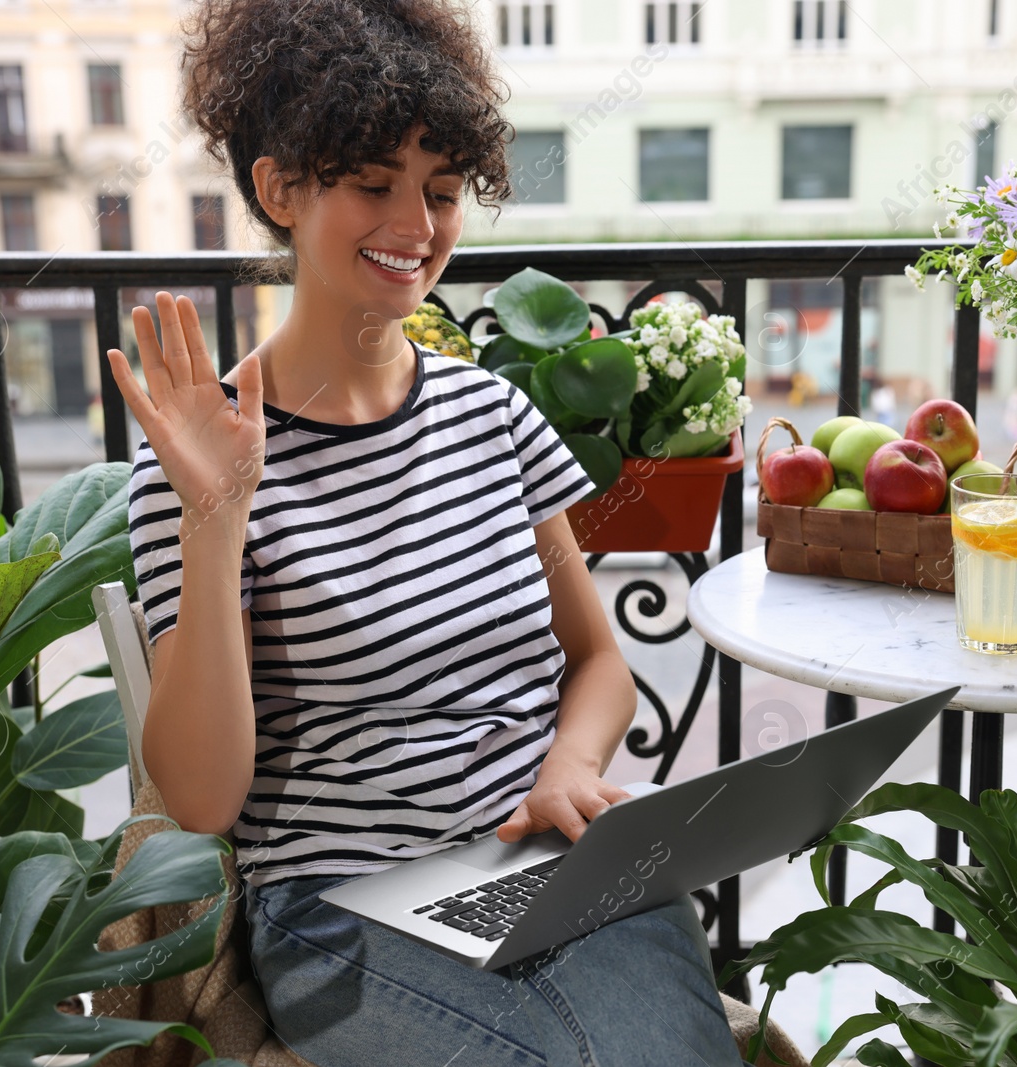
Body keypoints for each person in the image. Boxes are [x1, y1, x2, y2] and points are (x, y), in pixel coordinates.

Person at [106, 3, 755, 1066]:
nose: (415, 223)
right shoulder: (196, 459)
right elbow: (203, 794)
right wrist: (215, 519)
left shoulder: (492, 416)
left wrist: (569, 766)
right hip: (341, 910)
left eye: (443, 190)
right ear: (280, 188)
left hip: (543, 860)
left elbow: (598, 662)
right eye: (372, 182)